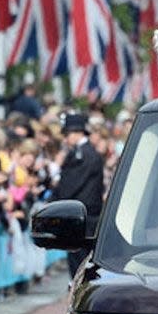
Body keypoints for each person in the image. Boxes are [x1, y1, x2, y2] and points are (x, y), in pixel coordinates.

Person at [52, 112, 104, 281]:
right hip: (87, 216)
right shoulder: (86, 152)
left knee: (79, 268)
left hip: (82, 217)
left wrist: (52, 199)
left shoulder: (83, 154)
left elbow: (69, 185)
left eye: (67, 134)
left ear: (76, 133)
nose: (66, 139)